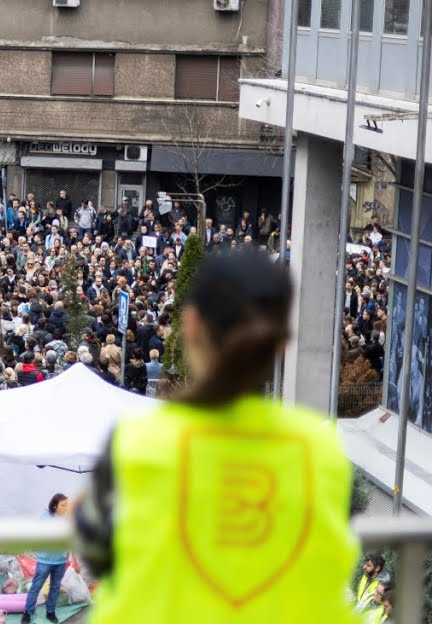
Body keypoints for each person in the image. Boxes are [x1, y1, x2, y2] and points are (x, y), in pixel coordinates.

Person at [75, 250, 360, 623]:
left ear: (191, 325)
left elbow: (96, 554)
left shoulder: (136, 442)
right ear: (281, 343)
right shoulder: (323, 450)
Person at [23, 493, 70, 624]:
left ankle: (50, 612)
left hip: (60, 561)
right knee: (36, 586)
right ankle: (28, 612)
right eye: (63, 505)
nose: (66, 508)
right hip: (45, 561)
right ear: (55, 506)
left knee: (55, 587)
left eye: (67, 505)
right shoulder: (44, 518)